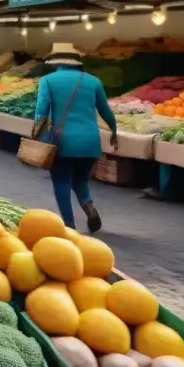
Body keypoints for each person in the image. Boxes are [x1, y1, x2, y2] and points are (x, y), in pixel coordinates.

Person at [34, 43, 118, 233]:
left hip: (62, 141)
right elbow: (105, 111)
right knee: (81, 178)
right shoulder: (93, 81)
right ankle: (88, 206)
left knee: (61, 179)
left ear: (56, 63)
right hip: (90, 142)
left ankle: (69, 226)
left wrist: (36, 137)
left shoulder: (47, 81)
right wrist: (113, 131)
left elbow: (41, 114)